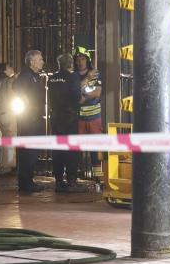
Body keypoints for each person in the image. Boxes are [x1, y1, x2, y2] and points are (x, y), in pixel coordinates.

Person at [48, 53, 86, 193]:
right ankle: (71, 180)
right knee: (71, 149)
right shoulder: (73, 76)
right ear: (70, 64)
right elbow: (76, 95)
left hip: (56, 117)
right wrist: (83, 99)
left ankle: (58, 180)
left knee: (58, 149)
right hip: (69, 117)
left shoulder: (51, 79)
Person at [12, 50, 47, 192]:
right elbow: (17, 88)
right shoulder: (26, 75)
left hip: (35, 117)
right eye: (40, 59)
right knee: (28, 150)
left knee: (31, 150)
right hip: (30, 119)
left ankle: (28, 180)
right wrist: (26, 103)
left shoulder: (35, 76)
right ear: (32, 62)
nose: (42, 61)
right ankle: (25, 182)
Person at [75, 51, 103, 179]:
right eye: (78, 59)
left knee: (95, 147)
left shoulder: (96, 74)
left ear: (88, 60)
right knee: (77, 148)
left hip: (94, 116)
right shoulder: (74, 75)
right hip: (79, 117)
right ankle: (77, 174)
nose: (80, 62)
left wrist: (83, 99)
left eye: (83, 59)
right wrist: (86, 80)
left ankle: (97, 176)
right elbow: (74, 91)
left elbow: (97, 93)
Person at [0, 63, 18, 175]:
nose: (12, 68)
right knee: (10, 138)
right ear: (5, 72)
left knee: (4, 139)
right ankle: (8, 166)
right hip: (8, 112)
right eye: (9, 67)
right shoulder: (10, 81)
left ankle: (3, 166)